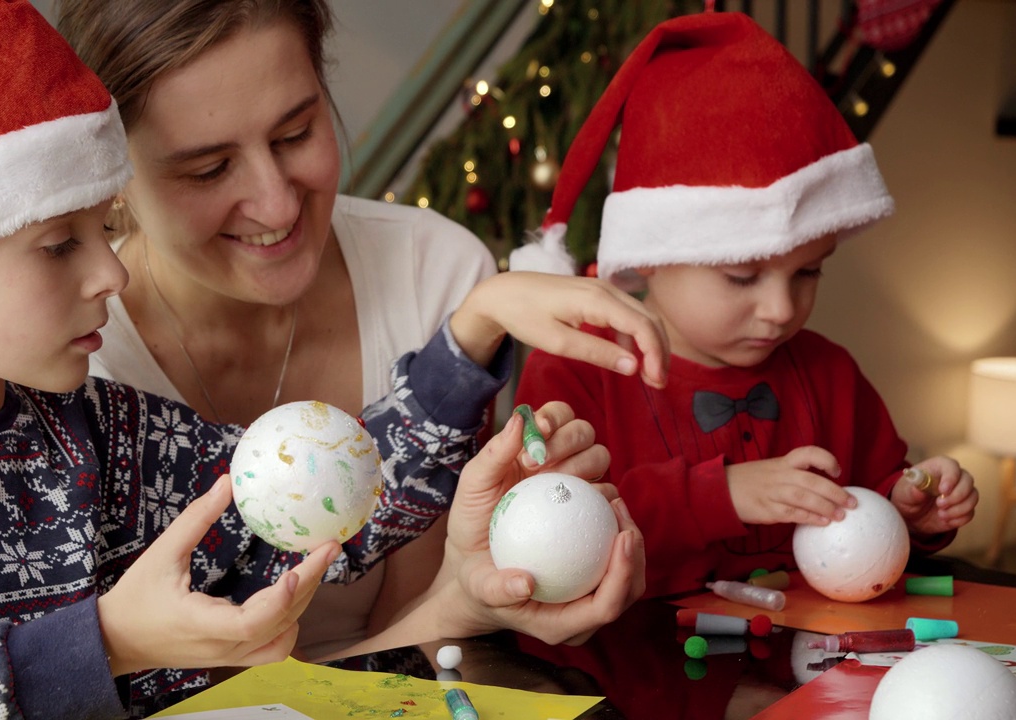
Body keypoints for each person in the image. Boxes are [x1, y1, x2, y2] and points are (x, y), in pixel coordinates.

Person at [0, 1, 643, 717]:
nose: (111, 270)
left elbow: (313, 504)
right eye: (61, 245)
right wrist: (107, 640)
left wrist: (467, 342)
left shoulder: (103, 429)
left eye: (104, 230)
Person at [54, 0, 669, 659]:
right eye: (208, 170)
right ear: (110, 177)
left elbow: (402, 657)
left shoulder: (436, 274)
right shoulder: (67, 362)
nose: (277, 203)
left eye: (295, 134)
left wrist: (475, 595)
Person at [512, 10, 979, 600]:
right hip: (628, 669)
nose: (782, 309)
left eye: (809, 271)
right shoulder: (578, 367)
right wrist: (722, 494)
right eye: (741, 277)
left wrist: (906, 509)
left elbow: (869, 492)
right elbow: (550, 531)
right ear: (653, 255)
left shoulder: (829, 374)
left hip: (801, 662)